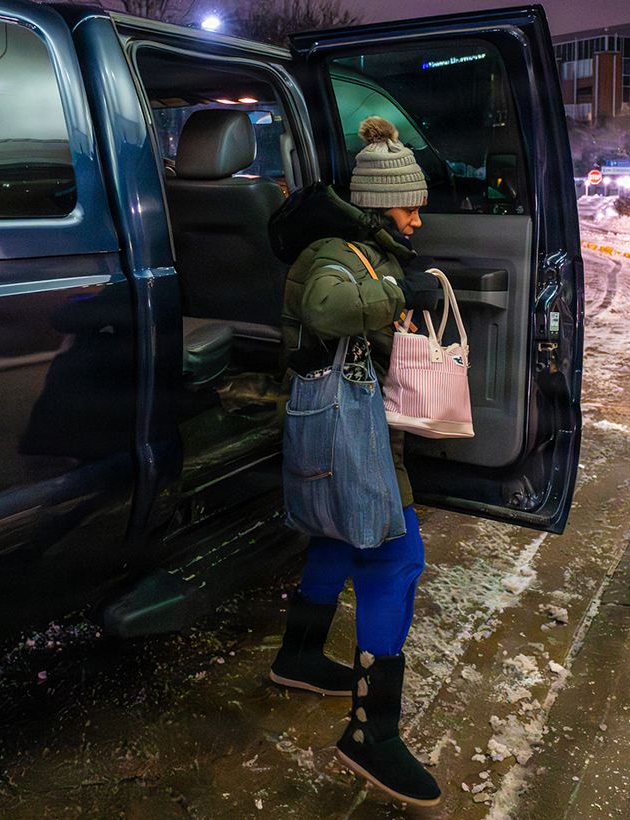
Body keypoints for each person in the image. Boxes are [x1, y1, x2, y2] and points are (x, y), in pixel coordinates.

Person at [266, 115, 443, 807]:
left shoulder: (361, 249)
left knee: (337, 541)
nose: (417, 222)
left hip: (347, 423)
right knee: (396, 558)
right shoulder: (334, 254)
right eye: (408, 208)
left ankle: (299, 656)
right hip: (348, 430)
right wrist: (406, 293)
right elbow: (329, 305)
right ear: (376, 205)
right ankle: (372, 733)